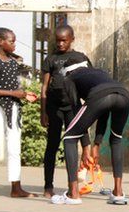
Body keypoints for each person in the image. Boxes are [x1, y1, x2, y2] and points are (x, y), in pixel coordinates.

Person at [51, 59, 129, 205]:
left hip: (101, 96)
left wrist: (86, 147)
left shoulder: (69, 79)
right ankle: (118, 193)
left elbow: (76, 113)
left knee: (69, 138)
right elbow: (104, 111)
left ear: (67, 72)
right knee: (116, 139)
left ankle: (73, 194)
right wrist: (96, 145)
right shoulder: (98, 72)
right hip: (124, 95)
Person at [0, 28, 37, 200]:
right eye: (11, 41)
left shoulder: (13, 62)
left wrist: (25, 95)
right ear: (0, 42)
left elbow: (14, 88)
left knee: (14, 148)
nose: (14, 44)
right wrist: (12, 94)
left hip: (14, 108)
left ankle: (16, 188)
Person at [39, 25, 93, 198]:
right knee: (52, 146)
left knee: (75, 143)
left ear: (72, 39)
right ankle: (48, 186)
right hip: (54, 107)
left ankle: (74, 185)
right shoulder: (51, 59)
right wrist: (43, 111)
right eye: (58, 40)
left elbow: (87, 81)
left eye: (64, 40)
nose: (61, 44)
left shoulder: (80, 57)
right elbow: (44, 87)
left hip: (73, 106)